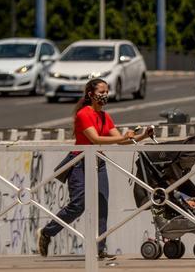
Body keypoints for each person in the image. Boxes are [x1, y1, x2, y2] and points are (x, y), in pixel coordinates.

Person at [38, 78, 153, 259]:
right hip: (79, 162)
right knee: (78, 205)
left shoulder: (105, 116)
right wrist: (123, 137)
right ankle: (47, 232)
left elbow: (121, 141)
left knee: (102, 204)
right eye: (101, 92)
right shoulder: (84, 114)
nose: (105, 95)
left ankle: (100, 249)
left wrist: (142, 136)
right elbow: (96, 140)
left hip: (98, 163)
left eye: (106, 91)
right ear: (91, 94)